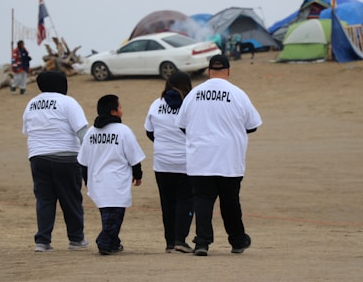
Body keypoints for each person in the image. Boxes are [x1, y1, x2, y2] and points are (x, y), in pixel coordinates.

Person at [175, 54, 262, 256]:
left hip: (200, 158)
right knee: (230, 201)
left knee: (202, 201)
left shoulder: (194, 94)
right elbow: (252, 126)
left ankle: (202, 242)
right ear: (229, 71)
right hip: (229, 158)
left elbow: (181, 125)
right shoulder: (238, 94)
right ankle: (237, 240)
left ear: (208, 71)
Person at [22, 71, 89, 252]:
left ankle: (42, 241)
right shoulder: (68, 102)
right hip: (66, 158)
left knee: (44, 199)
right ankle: (76, 239)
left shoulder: (31, 104)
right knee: (71, 199)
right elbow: (82, 132)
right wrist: (89, 158)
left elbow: (27, 130)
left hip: (38, 158)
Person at [77, 94, 145, 255]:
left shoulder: (91, 132)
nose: (122, 110)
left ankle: (114, 242)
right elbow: (134, 157)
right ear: (114, 112)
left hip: (97, 180)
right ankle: (104, 241)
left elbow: (83, 161)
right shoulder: (123, 131)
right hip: (116, 180)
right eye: (120, 107)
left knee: (108, 214)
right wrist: (138, 175)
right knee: (114, 217)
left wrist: (87, 180)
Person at [144, 71, 194, 253]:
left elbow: (149, 132)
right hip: (185, 162)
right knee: (186, 201)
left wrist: (163, 144)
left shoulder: (156, 105)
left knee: (167, 203)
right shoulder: (190, 105)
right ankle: (181, 239)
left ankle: (170, 243)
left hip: (162, 162)